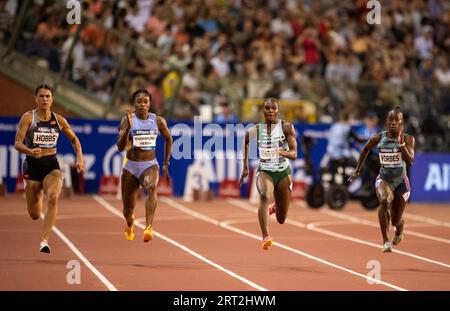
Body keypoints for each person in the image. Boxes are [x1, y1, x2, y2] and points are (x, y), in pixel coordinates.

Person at [14, 84, 85, 253]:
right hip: (32, 165)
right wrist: (30, 150)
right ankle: (32, 190)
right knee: (35, 214)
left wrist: (80, 159)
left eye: (48, 96)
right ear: (36, 99)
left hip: (51, 164)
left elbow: (75, 140)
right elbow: (17, 143)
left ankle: (44, 241)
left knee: (53, 197)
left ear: (52, 99)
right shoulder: (28, 118)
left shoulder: (59, 120)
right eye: (41, 96)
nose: (44, 99)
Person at [348, 107, 415, 252]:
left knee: (396, 219)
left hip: (401, 181)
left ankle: (400, 226)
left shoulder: (409, 139)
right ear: (386, 122)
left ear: (401, 122)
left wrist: (401, 143)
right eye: (390, 120)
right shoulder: (378, 137)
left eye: (396, 120)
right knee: (384, 200)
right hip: (384, 178)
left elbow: (410, 161)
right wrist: (357, 170)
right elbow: (365, 150)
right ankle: (385, 241)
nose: (393, 123)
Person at [239, 98, 297, 250]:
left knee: (281, 219)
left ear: (278, 111)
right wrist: (245, 168)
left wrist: (280, 152)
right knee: (264, 195)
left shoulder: (286, 127)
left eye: (273, 108)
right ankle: (265, 236)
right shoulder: (256, 130)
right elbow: (245, 141)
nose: (270, 110)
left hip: (283, 172)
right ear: (262, 111)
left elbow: (294, 153)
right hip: (265, 171)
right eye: (267, 108)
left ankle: (275, 207)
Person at [117, 89, 172, 242]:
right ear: (134, 104)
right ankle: (129, 223)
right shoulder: (126, 120)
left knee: (152, 188)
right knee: (127, 211)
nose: (142, 104)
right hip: (131, 167)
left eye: (145, 102)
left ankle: (148, 227)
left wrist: (166, 163)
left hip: (149, 165)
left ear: (149, 104)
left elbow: (169, 139)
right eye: (138, 101)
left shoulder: (158, 121)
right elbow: (120, 147)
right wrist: (128, 127)